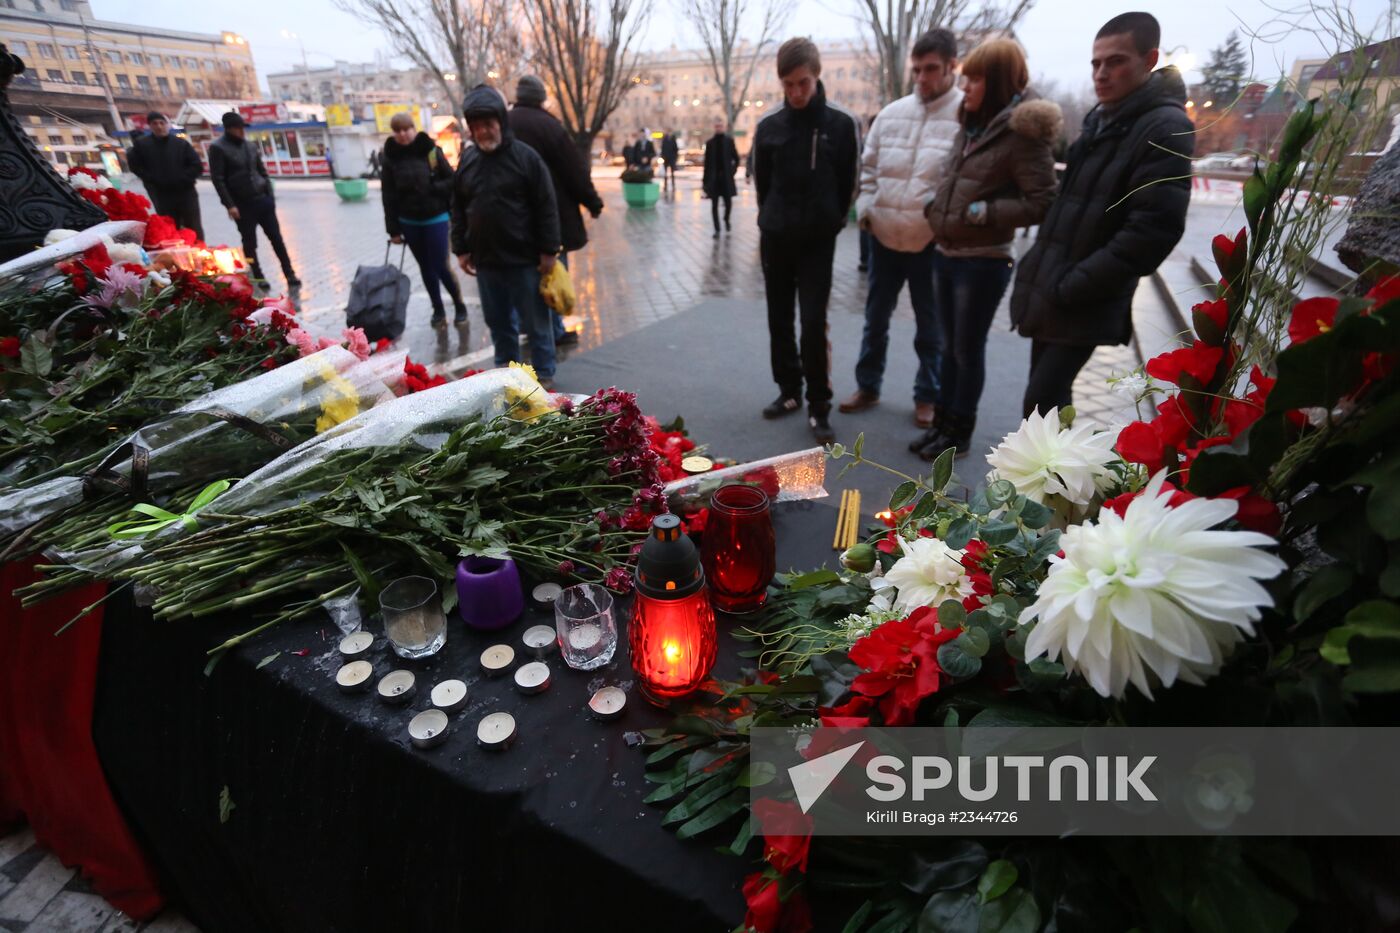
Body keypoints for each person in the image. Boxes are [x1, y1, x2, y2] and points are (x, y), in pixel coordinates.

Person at [1009, 11, 1193, 417]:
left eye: (1116, 61)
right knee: (1046, 404)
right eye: (1096, 63)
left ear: (1149, 60)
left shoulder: (1164, 126)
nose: (1102, 73)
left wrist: (1074, 283)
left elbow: (1154, 230)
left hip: (1082, 294)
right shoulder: (1104, 119)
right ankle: (1049, 480)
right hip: (1058, 286)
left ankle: (1048, 480)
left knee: (1041, 405)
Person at [914, 39, 1060, 461]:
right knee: (947, 347)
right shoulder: (973, 123)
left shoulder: (1022, 132)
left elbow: (1043, 200)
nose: (967, 87)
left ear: (995, 82)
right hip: (947, 251)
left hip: (983, 261)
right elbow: (954, 177)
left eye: (975, 78)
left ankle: (958, 433)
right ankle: (942, 423)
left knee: (965, 350)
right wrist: (935, 208)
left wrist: (983, 212)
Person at [842, 28, 962, 431]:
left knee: (931, 327)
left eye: (931, 69)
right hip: (884, 238)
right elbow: (869, 167)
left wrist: (942, 227)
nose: (923, 78)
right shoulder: (892, 114)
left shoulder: (965, 117)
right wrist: (868, 212)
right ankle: (868, 386)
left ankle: (926, 395)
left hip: (930, 245)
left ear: (952, 67)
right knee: (875, 319)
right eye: (917, 70)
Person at [752, 37, 860, 443]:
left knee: (813, 322)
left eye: (803, 83)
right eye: (789, 85)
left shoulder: (840, 124)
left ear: (816, 77)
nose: (796, 93)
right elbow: (763, 184)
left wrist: (829, 221)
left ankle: (819, 404)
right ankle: (789, 392)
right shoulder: (769, 127)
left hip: (817, 242)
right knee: (779, 318)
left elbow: (848, 181)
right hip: (777, 239)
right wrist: (771, 219)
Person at [450, 85, 563, 388]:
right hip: (486, 262)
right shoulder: (469, 161)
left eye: (488, 124)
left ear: (501, 122)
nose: (483, 131)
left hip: (525, 261)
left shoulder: (526, 158)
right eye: (476, 127)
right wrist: (460, 248)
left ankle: (545, 377)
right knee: (499, 325)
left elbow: (546, 206)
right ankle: (507, 376)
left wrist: (549, 250)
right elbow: (458, 208)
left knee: (537, 324)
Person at [509, 74, 605, 347]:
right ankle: (554, 331)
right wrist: (593, 202)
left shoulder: (505, 122)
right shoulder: (550, 126)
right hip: (552, 217)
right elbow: (574, 170)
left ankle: (528, 327)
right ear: (541, 97)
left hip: (513, 219)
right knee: (553, 275)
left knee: (523, 277)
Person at [380, 112, 468, 329]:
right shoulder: (390, 158)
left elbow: (451, 180)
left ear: (413, 128)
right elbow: (388, 195)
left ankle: (459, 305)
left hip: (436, 218)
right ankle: (437, 309)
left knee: (440, 266)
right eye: (397, 130)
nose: (402, 134)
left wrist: (432, 189)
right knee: (425, 268)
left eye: (405, 129)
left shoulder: (430, 151)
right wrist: (393, 230)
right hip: (410, 222)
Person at [209, 111, 300, 289]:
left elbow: (262, 171)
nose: (242, 131)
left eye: (243, 128)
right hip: (242, 204)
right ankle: (258, 275)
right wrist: (230, 205)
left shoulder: (249, 146)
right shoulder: (218, 148)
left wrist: (269, 195)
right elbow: (218, 179)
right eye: (238, 128)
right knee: (250, 243)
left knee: (277, 239)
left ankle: (289, 273)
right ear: (229, 129)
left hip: (262, 200)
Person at [128, 110, 204, 241]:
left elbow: (196, 165)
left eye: (162, 123)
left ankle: (200, 252)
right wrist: (152, 179)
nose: (159, 126)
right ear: (150, 126)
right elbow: (136, 167)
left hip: (185, 193)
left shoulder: (180, 144)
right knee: (169, 228)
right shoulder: (142, 145)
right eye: (155, 123)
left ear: (167, 124)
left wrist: (183, 178)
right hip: (162, 194)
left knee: (193, 227)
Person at [701, 120, 739, 237]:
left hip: (726, 179)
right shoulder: (710, 143)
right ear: (714, 127)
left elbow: (736, 159)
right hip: (714, 180)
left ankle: (726, 219)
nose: (719, 128)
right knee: (714, 205)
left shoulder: (729, 141)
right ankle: (717, 229)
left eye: (720, 126)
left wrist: (732, 172)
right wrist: (705, 182)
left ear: (724, 127)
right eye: (717, 126)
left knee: (728, 203)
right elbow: (707, 164)